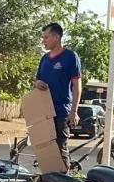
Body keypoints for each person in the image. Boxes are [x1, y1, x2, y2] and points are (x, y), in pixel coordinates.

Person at [34, 22, 81, 171]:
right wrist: (37, 83)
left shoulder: (70, 57)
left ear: (56, 37)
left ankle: (64, 181)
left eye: (46, 37)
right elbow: (36, 81)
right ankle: (48, 180)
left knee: (60, 149)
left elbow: (77, 86)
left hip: (61, 112)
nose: (43, 41)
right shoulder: (44, 59)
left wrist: (74, 111)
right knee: (45, 151)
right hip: (44, 113)